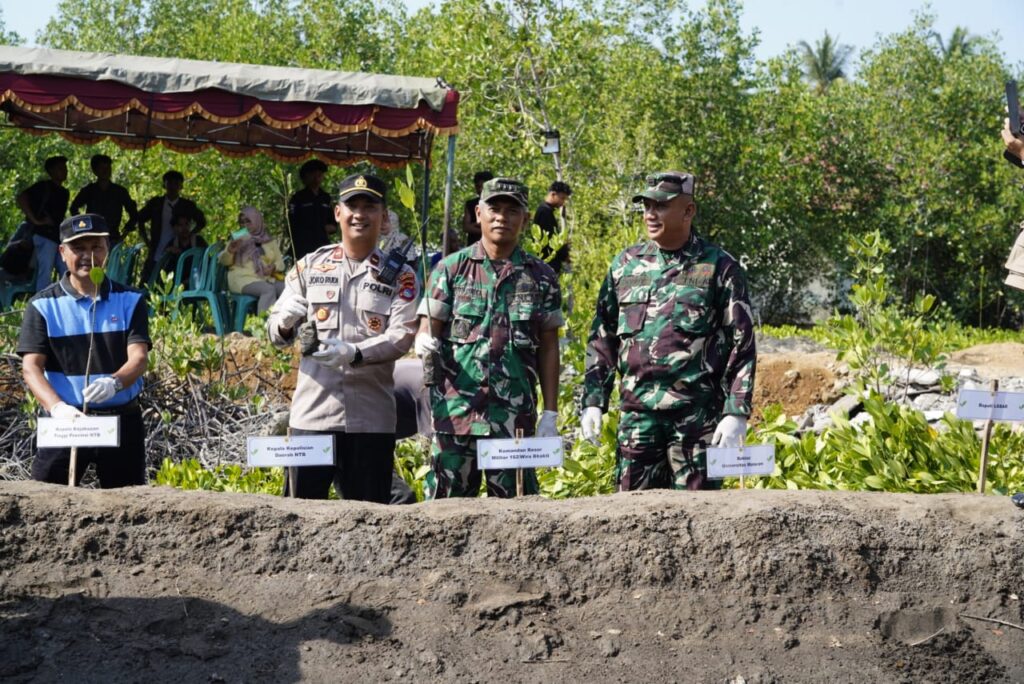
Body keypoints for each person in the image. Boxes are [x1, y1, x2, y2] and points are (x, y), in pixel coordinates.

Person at [580, 172, 756, 491]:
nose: (650, 213)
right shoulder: (625, 265)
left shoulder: (719, 267)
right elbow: (602, 336)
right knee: (633, 518)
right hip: (638, 417)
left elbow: (742, 344)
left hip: (696, 418)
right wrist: (594, 400)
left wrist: (737, 410)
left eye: (660, 205)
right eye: (646, 205)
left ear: (688, 211)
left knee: (700, 518)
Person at [267, 173, 419, 502]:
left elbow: (402, 336)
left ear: (385, 217)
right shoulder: (310, 266)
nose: (359, 214)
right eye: (352, 206)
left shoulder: (402, 276)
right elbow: (276, 335)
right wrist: (284, 321)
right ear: (338, 213)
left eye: (369, 206)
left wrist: (354, 352)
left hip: (371, 420)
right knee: (299, 518)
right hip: (313, 416)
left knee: (368, 521)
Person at [415, 177, 563, 498]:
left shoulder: (541, 277)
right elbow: (429, 325)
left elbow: (549, 348)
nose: (502, 217)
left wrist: (551, 412)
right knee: (445, 517)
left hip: (513, 419)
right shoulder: (451, 269)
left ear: (524, 219)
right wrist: (423, 339)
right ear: (478, 213)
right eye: (494, 208)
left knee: (518, 517)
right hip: (457, 416)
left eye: (512, 211)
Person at [17, 213, 150, 487]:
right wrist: (57, 408)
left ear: (107, 249)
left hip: (120, 419)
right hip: (66, 423)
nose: (88, 256)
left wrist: (115, 383)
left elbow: (138, 357)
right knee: (47, 501)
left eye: (96, 247)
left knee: (127, 508)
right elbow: (31, 368)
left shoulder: (131, 300)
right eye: (78, 248)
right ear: (62, 252)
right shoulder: (42, 305)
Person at [136, 170, 206, 284]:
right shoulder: (156, 203)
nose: (173, 187)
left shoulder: (187, 205)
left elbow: (201, 221)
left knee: (174, 280)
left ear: (181, 186)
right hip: (157, 248)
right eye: (170, 183)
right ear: (164, 185)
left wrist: (188, 235)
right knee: (147, 282)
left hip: (179, 250)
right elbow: (140, 219)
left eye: (176, 183)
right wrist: (147, 241)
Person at [16, 155, 70, 292]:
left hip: (57, 237)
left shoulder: (64, 192)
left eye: (65, 168)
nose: (64, 171)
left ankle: (66, 300)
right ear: (51, 171)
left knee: (66, 269)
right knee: (45, 273)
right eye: (60, 168)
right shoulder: (43, 186)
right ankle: (41, 306)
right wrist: (35, 220)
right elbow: (22, 198)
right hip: (44, 236)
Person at [219, 206, 285, 313]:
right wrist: (230, 251)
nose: (244, 225)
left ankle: (288, 326)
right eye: (241, 222)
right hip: (242, 279)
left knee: (288, 289)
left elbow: (280, 263)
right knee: (268, 290)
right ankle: (265, 325)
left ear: (256, 221)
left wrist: (273, 267)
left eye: (248, 221)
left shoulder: (268, 240)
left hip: (264, 279)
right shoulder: (237, 238)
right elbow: (223, 261)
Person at [69, 154, 139, 247]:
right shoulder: (89, 190)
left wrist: (124, 234)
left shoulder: (120, 191)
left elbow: (133, 213)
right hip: (92, 238)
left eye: (108, 167)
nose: (106, 171)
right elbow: (74, 207)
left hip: (112, 238)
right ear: (95, 171)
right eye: (102, 168)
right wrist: (83, 228)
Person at [287, 159, 338, 261]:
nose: (316, 177)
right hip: (302, 249)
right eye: (312, 174)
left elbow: (334, 226)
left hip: (322, 249)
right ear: (305, 177)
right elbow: (290, 226)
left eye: (319, 174)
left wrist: (324, 228)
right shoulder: (297, 198)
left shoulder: (326, 198)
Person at [532, 180, 572, 274]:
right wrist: (565, 255)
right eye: (562, 198)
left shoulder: (547, 211)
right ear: (553, 194)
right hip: (547, 266)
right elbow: (551, 241)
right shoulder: (544, 212)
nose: (563, 202)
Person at [157, 210, 209, 277]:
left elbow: (207, 262)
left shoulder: (199, 241)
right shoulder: (172, 244)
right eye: (180, 225)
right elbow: (164, 265)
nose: (184, 228)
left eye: (187, 224)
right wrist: (168, 251)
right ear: (174, 228)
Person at [460, 170, 494, 248]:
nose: (480, 190)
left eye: (483, 187)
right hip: (474, 247)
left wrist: (476, 225)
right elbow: (466, 227)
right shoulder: (470, 204)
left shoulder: (498, 204)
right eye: (478, 187)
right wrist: (487, 230)